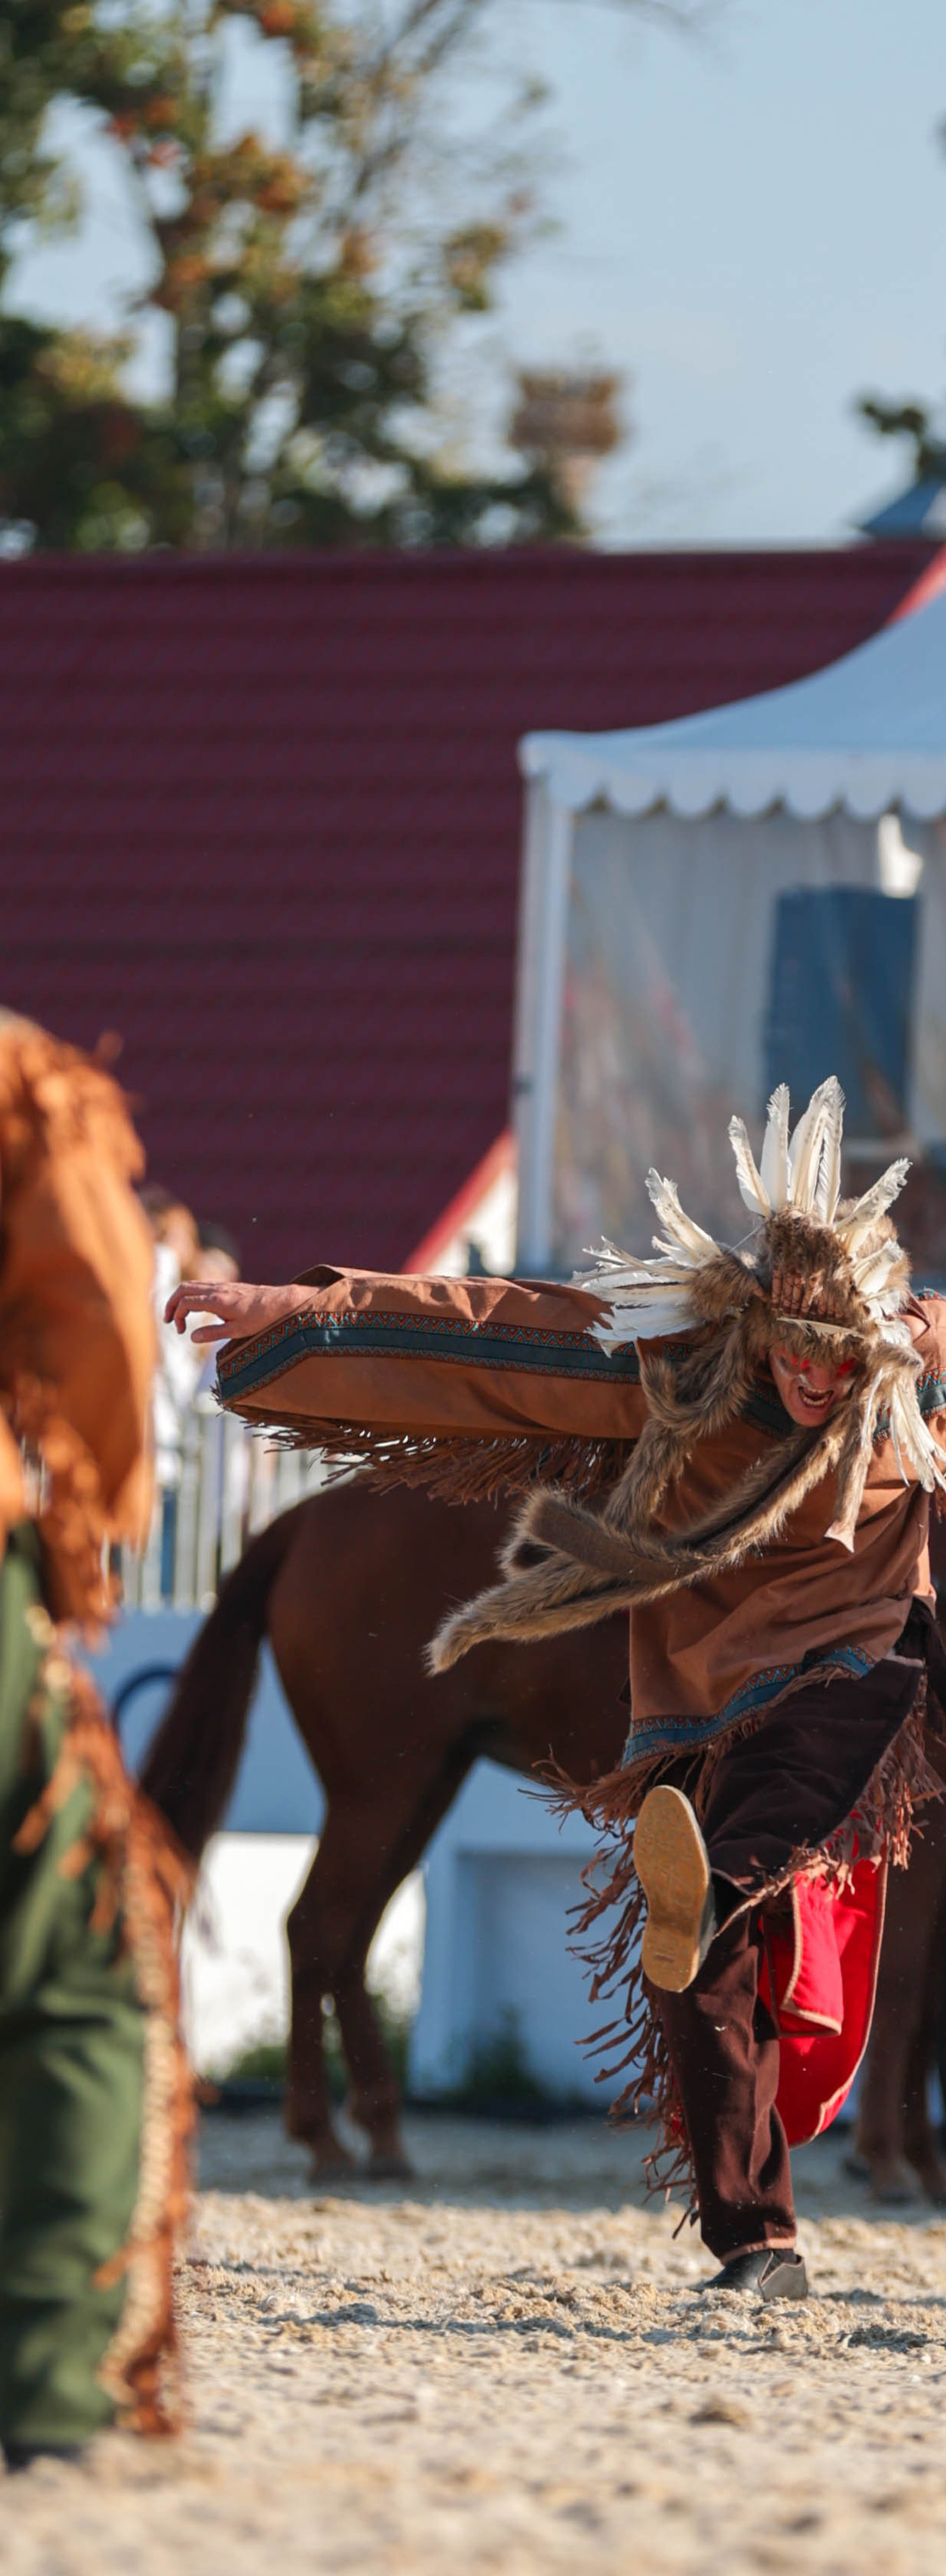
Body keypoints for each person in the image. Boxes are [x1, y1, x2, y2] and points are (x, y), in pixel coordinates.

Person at [171, 1079, 946, 2297]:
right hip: (702, 1699)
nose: (814, 1376)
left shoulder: (920, 1356)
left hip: (855, 1662)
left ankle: (712, 1879)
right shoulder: (677, 1359)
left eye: (839, 1356)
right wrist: (305, 1307)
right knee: (701, 1963)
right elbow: (490, 1330)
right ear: (753, 1319)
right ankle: (756, 2239)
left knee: (746, 1840)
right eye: (791, 1348)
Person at [0, 1015, 192, 2468]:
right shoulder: (16, 1078)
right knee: (77, 1973)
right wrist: (83, 1525)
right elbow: (107, 1308)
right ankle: (45, 2385)